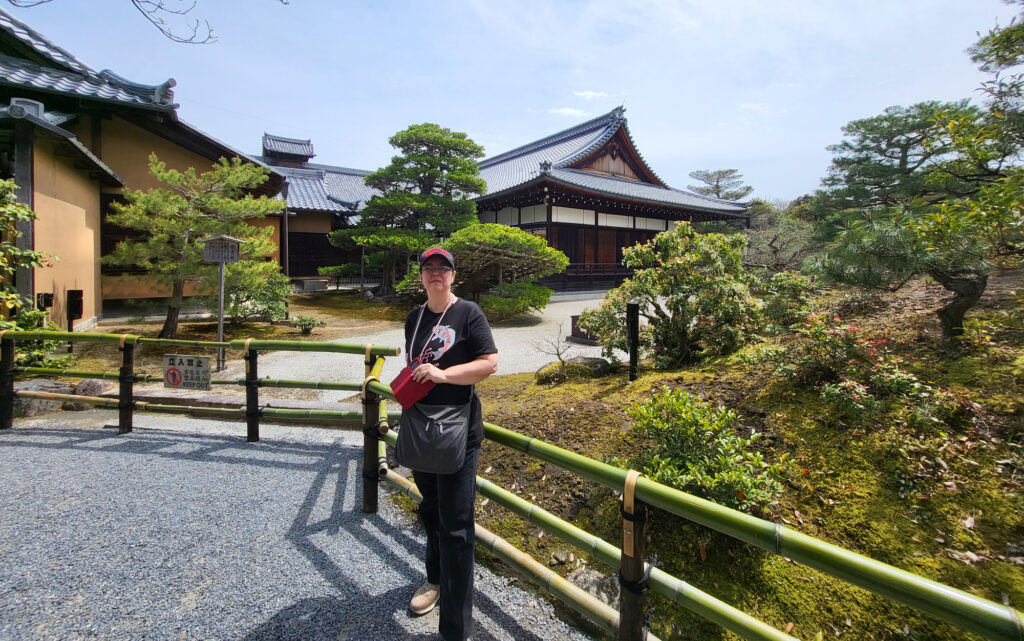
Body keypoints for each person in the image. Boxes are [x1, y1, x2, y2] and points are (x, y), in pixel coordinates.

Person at [405, 247, 497, 641]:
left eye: (443, 268)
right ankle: (434, 579)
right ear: (422, 276)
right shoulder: (415, 317)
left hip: (458, 430)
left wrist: (443, 375)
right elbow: (413, 365)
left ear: (454, 276)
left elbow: (490, 363)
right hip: (422, 427)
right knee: (430, 508)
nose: (436, 274)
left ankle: (455, 629)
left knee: (457, 526)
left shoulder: (469, 313)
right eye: (429, 269)